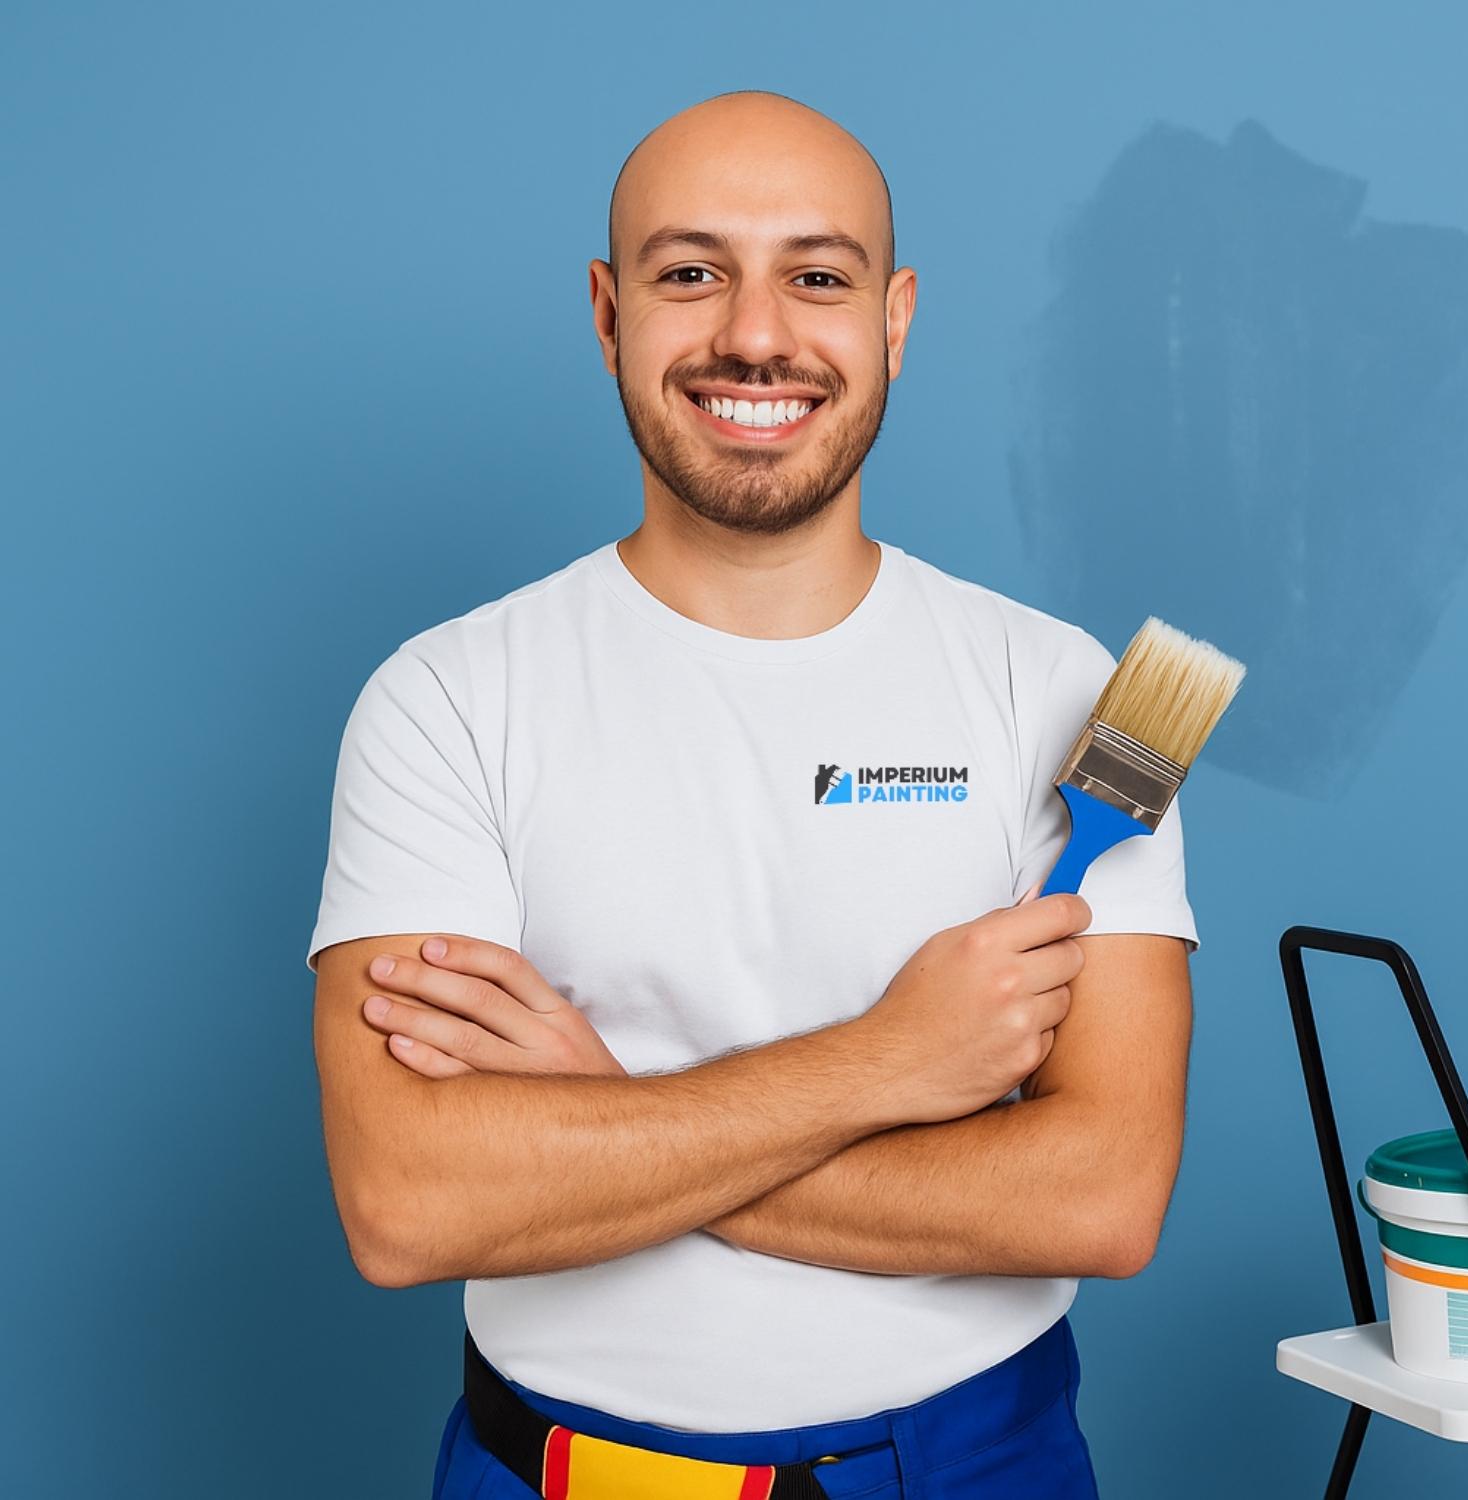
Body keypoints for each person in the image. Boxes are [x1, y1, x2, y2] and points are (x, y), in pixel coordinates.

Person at [306, 88, 1196, 1499]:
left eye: (819, 278)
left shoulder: (1072, 693)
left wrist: (607, 1121)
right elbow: (408, 1205)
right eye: (691, 273)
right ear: (609, 314)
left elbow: (1104, 1196)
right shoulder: (444, 698)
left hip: (975, 1467)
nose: (758, 335)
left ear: (895, 318)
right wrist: (888, 1064)